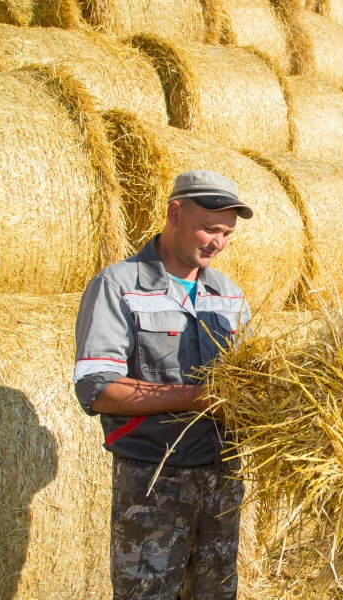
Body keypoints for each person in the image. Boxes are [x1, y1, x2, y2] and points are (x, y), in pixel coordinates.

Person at [74, 170, 253, 600]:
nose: (218, 242)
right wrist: (197, 399)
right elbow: (97, 388)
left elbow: (251, 381)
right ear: (174, 213)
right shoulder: (117, 286)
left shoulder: (230, 296)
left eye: (227, 233)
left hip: (222, 479)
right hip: (153, 480)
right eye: (209, 228)